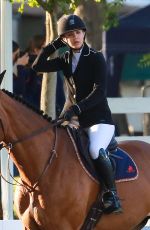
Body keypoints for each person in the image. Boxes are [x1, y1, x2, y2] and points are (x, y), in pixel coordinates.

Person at [32, 14, 122, 214]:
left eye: (78, 32)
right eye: (70, 34)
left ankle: (112, 194)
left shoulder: (96, 57)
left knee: (95, 149)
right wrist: (54, 44)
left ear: (84, 33)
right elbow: (37, 66)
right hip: (72, 119)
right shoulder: (64, 58)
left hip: (98, 120)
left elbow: (99, 92)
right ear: (64, 39)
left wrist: (77, 108)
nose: (75, 37)